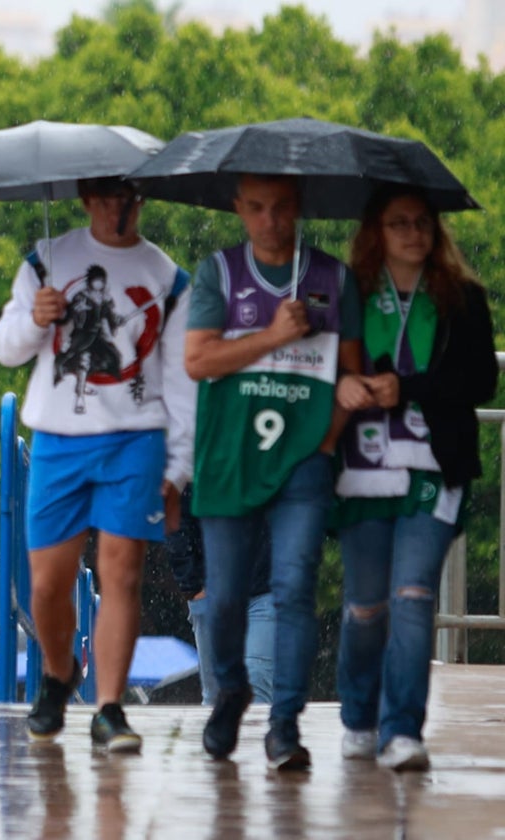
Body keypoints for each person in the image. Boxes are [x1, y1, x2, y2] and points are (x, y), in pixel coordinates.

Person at [0, 177, 195, 752]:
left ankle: (109, 707)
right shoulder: (47, 259)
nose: (117, 209)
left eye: (127, 197)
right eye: (105, 197)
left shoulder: (166, 277)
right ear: (85, 199)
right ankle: (60, 673)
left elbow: (180, 381)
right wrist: (37, 318)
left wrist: (178, 468)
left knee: (121, 571)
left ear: (142, 200)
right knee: (48, 583)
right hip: (60, 435)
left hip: (136, 437)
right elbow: (6, 348)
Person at [185, 174, 362, 770]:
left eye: (281, 208)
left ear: (299, 207)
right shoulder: (219, 273)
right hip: (229, 459)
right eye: (256, 208)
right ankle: (231, 691)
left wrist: (324, 442)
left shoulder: (334, 279)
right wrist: (272, 336)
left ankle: (285, 723)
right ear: (238, 209)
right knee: (228, 596)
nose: (269, 220)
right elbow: (198, 360)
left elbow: (350, 376)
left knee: (294, 590)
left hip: (302, 462)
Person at [332, 184, 498, 771]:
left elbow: (482, 382)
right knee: (367, 605)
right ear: (376, 231)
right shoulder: (345, 294)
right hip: (360, 468)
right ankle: (358, 715)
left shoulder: (462, 297)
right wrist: (346, 387)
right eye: (399, 223)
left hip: (435, 465)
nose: (413, 233)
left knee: (412, 597)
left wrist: (412, 389)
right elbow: (321, 367)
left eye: (423, 222)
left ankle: (403, 731)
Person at [162, 483, 274, 706]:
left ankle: (250, 739)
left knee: (257, 683)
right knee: (216, 695)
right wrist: (193, 587)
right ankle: (218, 738)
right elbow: (176, 520)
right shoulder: (196, 457)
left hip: (266, 590)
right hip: (210, 593)